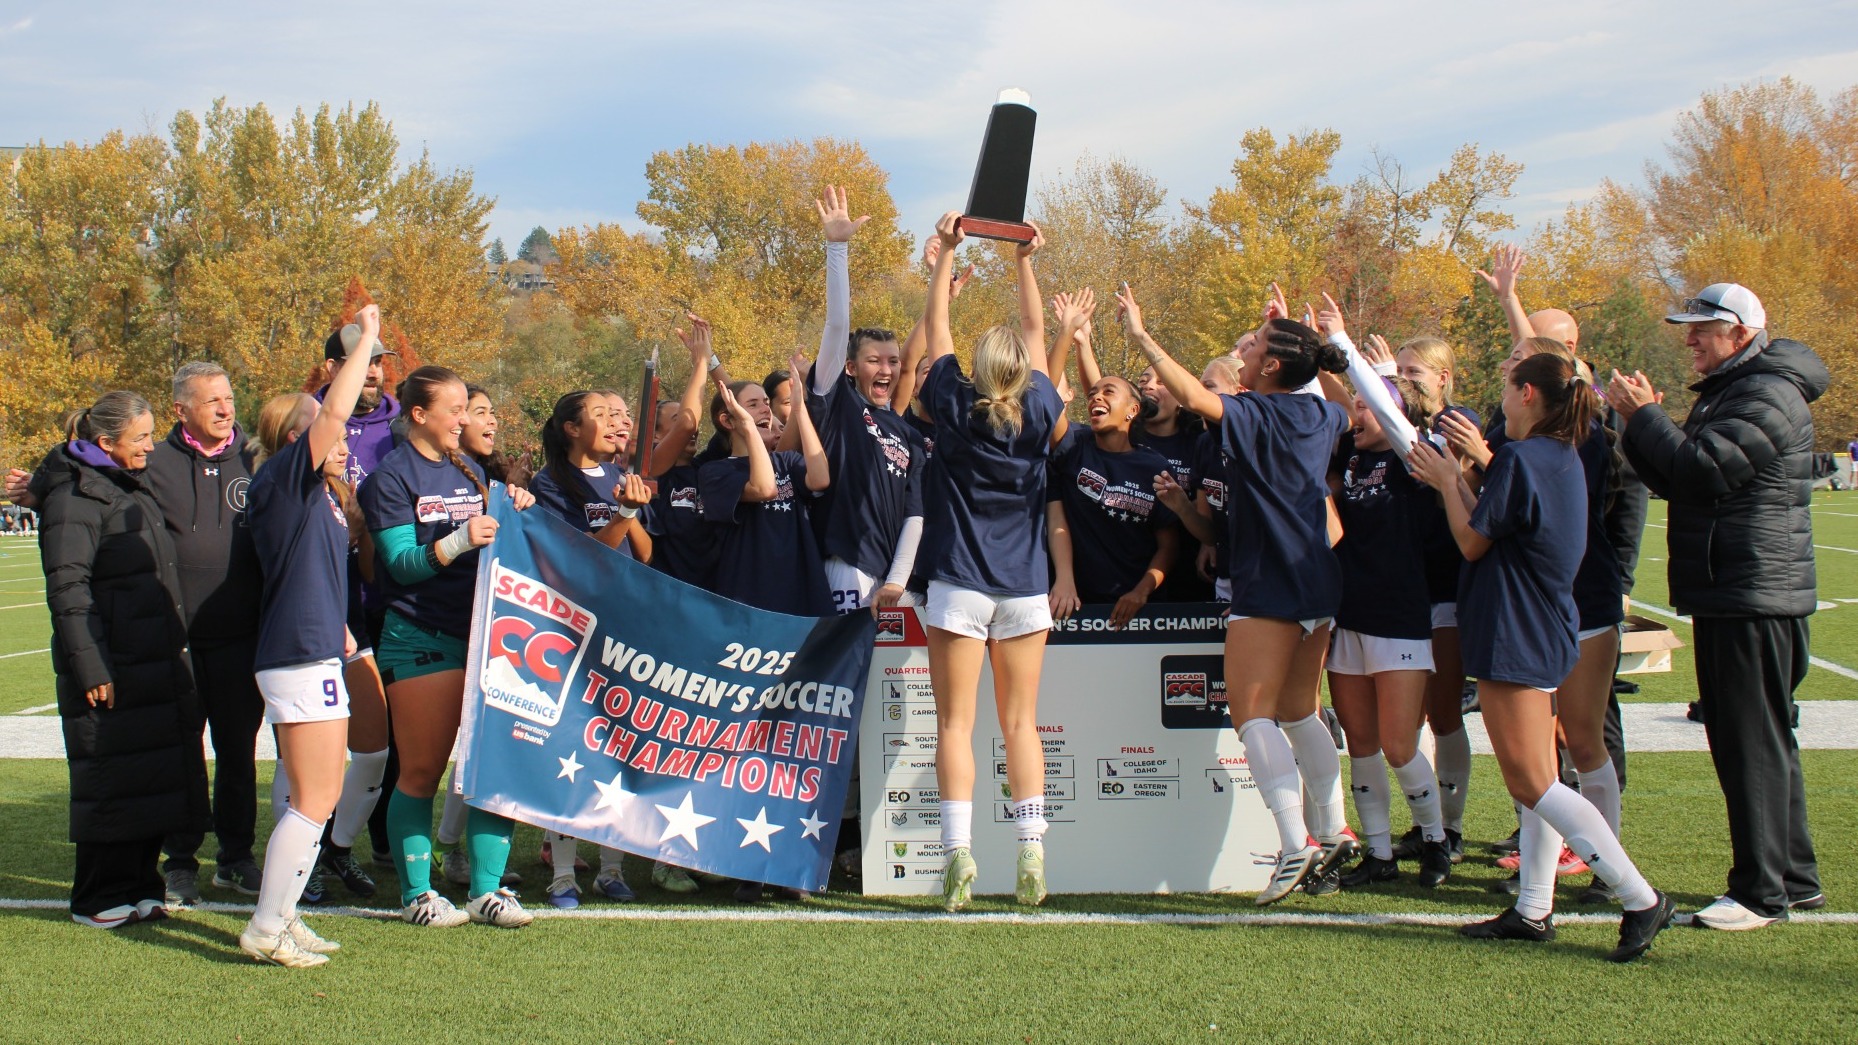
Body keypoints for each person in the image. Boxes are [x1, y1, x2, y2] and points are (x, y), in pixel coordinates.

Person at [1410, 354, 1672, 962]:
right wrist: (1461, 474)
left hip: (1516, 627)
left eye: (1507, 387)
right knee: (1539, 780)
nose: (1500, 399)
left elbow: (1472, 541)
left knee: (1531, 780)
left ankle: (1640, 898)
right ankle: (1533, 909)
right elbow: (1501, 524)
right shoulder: (1558, 455)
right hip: (1540, 622)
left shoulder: (1524, 458)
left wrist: (1448, 481)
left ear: (1527, 393)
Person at [1122, 283, 1353, 905]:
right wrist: (1310, 346)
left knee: (1253, 717)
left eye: (1253, 347)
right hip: (1318, 581)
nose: (1242, 353)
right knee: (1301, 712)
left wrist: (1142, 336)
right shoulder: (1320, 414)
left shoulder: (1256, 414)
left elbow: (1197, 395)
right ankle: (1334, 831)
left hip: (1270, 582)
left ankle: (1296, 844)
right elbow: (1344, 404)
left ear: (1272, 367)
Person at [1608, 282, 1827, 929]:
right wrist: (1640, 424)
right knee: (1760, 736)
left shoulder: (1767, 392)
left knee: (1748, 741)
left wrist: (1647, 417)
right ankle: (1793, 876)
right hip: (1739, 588)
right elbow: (1676, 478)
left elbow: (1704, 469)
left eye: (1702, 329)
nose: (1690, 340)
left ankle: (1761, 891)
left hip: (1751, 592)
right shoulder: (1740, 390)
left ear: (1740, 332)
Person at [912, 211, 1076, 911]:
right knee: (1021, 725)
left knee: (955, 725)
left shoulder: (953, 399)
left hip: (959, 583)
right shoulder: (1040, 409)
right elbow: (1037, 332)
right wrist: (1024, 261)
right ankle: (1032, 850)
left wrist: (947, 256)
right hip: (1025, 587)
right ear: (1023, 373)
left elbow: (937, 329)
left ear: (975, 371)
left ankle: (959, 856)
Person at [360, 365, 538, 929]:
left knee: (493, 768)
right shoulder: (390, 479)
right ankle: (417, 895)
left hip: (487, 636)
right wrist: (459, 539)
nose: (465, 419)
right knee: (421, 771)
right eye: (455, 409)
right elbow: (400, 566)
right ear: (419, 414)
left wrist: (511, 505)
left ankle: (487, 893)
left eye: (468, 408)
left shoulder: (469, 470)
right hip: (420, 635)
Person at [235, 305, 382, 966]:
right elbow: (334, 412)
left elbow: (308, 571)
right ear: (295, 438)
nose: (341, 436)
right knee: (315, 799)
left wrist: (342, 628)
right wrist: (366, 341)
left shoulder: (317, 495)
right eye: (322, 425)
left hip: (315, 648)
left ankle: (284, 916)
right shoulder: (285, 478)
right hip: (297, 656)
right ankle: (267, 926)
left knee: (313, 797)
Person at [39, 391, 208, 928]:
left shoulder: (128, 485)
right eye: (141, 438)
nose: (150, 447)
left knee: (149, 776)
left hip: (151, 660)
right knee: (109, 777)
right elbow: (68, 590)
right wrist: (90, 666)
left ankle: (140, 884)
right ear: (105, 442)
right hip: (110, 662)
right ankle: (96, 895)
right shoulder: (75, 497)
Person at [1323, 378, 1453, 889]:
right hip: (1348, 616)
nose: (1356, 414)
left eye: (1367, 406)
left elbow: (1400, 428)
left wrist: (1354, 361)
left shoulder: (1410, 460)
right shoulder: (1350, 458)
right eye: (1355, 406)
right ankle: (1378, 852)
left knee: (1399, 744)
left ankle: (1435, 840)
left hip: (1399, 617)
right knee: (1361, 744)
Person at [528, 390, 654, 907]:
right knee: (573, 747)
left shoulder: (619, 476)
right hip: (572, 627)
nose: (612, 423)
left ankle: (612, 868)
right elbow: (581, 560)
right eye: (598, 415)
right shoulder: (549, 483)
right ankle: (563, 874)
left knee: (620, 746)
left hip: (624, 624)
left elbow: (644, 553)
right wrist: (623, 512)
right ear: (571, 429)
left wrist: (632, 511)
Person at [787, 186, 925, 618]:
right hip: (846, 568)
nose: (887, 369)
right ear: (850, 367)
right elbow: (836, 325)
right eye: (874, 361)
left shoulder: (908, 434)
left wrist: (898, 579)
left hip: (893, 581)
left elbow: (915, 514)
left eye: (893, 361)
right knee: (846, 663)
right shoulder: (838, 402)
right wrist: (837, 248)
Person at [1390, 337, 1477, 864]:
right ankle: (1425, 825)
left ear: (1443, 377)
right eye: (1398, 370)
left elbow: (1471, 494)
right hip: (1402, 589)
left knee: (1444, 711)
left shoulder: (1456, 423)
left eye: (1414, 371)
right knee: (1408, 721)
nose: (1405, 379)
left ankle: (1452, 826)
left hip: (1446, 585)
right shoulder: (1391, 423)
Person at [1047, 290, 1181, 625]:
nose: (1096, 397)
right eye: (1092, 394)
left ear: (1133, 410)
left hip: (1140, 611)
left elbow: (1168, 545)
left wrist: (1141, 591)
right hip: (1076, 605)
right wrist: (1068, 334)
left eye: (1108, 392)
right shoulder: (1074, 445)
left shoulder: (1154, 466)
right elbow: (1045, 399)